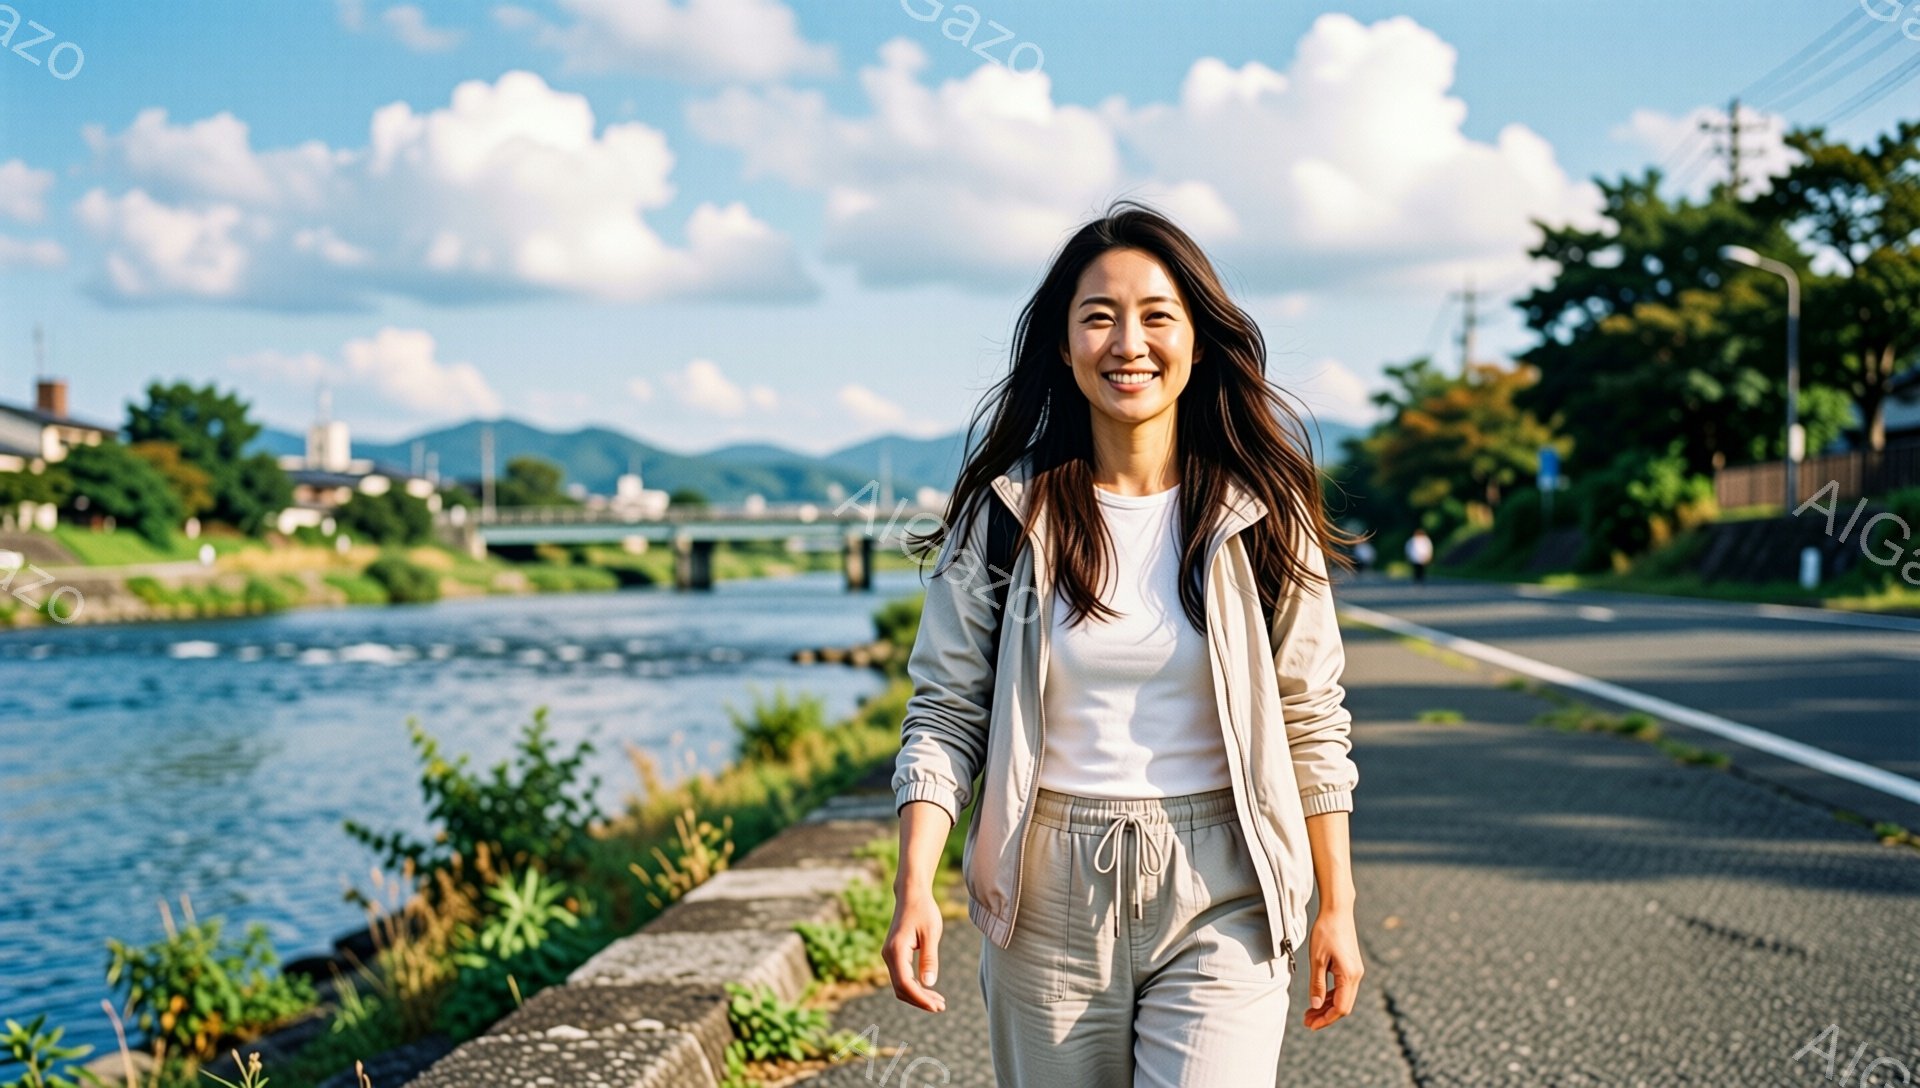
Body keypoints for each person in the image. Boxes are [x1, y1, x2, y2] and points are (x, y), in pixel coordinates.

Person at [887, 200, 1365, 1087]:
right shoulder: (1005, 516)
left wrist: (1336, 901)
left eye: (1156, 315)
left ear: (1198, 338)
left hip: (1226, 880)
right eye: (1098, 317)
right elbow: (946, 712)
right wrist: (914, 882)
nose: (1128, 343)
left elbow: (1311, 714)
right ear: (1063, 347)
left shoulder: (1263, 510)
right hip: (1046, 890)